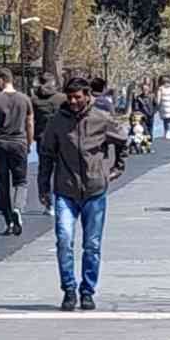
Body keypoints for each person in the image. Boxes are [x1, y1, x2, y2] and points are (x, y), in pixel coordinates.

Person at [37, 77, 128, 311]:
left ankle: (87, 291)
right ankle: (68, 289)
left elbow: (123, 140)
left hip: (94, 189)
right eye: (70, 97)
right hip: (65, 190)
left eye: (78, 97)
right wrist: (43, 187)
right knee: (64, 240)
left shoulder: (101, 119)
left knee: (92, 244)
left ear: (88, 95)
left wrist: (116, 168)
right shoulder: (57, 122)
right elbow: (46, 154)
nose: (74, 101)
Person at [0, 67, 34, 235]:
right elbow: (29, 122)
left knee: (2, 182)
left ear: (1, 80)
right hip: (19, 143)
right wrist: (28, 141)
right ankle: (18, 208)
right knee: (21, 181)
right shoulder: (25, 99)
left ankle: (9, 222)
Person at [31, 72, 65, 215]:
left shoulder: (34, 100)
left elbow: (30, 119)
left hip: (42, 138)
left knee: (44, 170)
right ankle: (61, 200)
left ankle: (47, 202)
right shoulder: (62, 99)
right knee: (62, 170)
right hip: (60, 139)